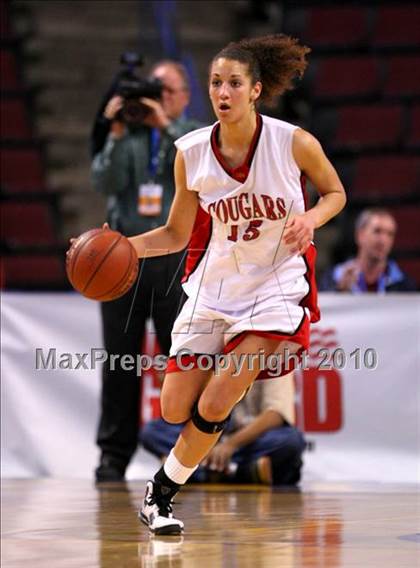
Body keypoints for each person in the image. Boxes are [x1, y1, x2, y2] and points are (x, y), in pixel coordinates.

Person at [125, 34, 346, 535]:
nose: (222, 92)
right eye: (215, 83)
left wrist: (311, 218)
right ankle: (179, 475)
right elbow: (177, 233)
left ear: (255, 90)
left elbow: (336, 192)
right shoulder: (192, 153)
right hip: (217, 284)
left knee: (217, 400)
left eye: (234, 83)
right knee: (175, 407)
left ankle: (160, 495)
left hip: (275, 283)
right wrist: (122, 245)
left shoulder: (293, 141)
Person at [91, 61, 202, 482]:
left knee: (182, 358)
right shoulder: (128, 133)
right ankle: (112, 456)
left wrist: (165, 124)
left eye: (168, 90)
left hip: (174, 260)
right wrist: (116, 132)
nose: (159, 97)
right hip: (123, 261)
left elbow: (198, 172)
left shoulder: (191, 134)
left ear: (185, 96)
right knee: (119, 360)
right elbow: (103, 181)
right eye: (154, 90)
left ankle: (184, 456)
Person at [141, 372, 305, 486]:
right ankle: (242, 472)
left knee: (291, 440)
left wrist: (230, 445)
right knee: (152, 431)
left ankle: (199, 472)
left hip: (245, 440)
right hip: (206, 434)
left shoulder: (274, 351)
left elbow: (276, 414)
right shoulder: (208, 346)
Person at [319, 208, 417, 292]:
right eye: (377, 231)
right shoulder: (333, 277)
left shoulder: (405, 285)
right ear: (359, 235)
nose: (383, 240)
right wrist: (339, 291)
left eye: (390, 234)